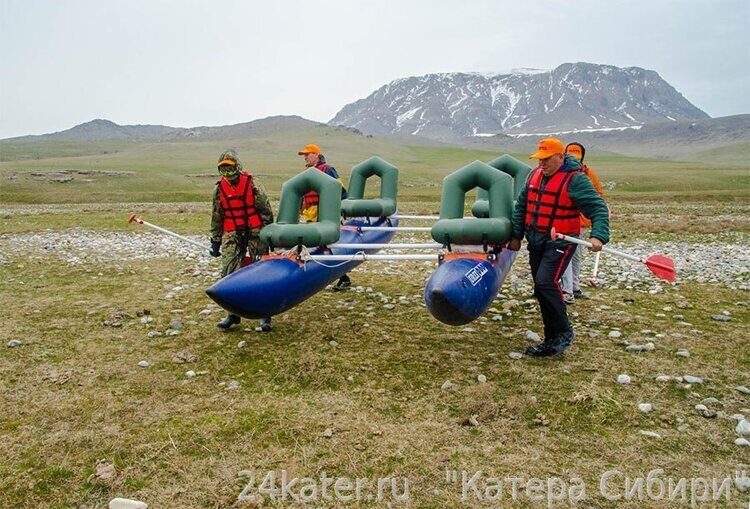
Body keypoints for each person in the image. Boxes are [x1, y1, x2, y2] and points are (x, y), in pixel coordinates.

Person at [508, 138, 609, 357]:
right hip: (536, 240)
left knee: (546, 283)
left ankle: (563, 333)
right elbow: (522, 206)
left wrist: (598, 236)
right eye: (539, 159)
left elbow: (598, 208)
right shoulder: (533, 176)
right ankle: (551, 338)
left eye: (547, 159)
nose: (542, 164)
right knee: (541, 287)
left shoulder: (576, 180)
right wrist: (516, 236)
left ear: (561, 157)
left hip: (562, 240)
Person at [209, 149, 275, 331]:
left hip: (255, 230)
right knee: (228, 271)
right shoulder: (218, 189)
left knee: (262, 271)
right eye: (223, 170)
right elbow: (216, 216)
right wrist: (215, 240)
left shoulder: (253, 185)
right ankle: (232, 314)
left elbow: (266, 211)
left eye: (230, 169)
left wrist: (269, 234)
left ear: (237, 167)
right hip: (231, 233)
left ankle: (264, 314)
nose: (227, 174)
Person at [298, 143, 351, 291]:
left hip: (325, 217)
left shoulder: (328, 169)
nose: (305, 158)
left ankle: (343, 278)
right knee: (314, 249)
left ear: (316, 155)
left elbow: (340, 190)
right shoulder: (306, 173)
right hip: (311, 217)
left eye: (307, 155)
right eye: (304, 156)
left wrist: (335, 210)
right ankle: (316, 277)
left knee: (330, 247)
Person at [560, 142, 606, 304]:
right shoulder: (561, 174)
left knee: (575, 256)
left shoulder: (588, 174)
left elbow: (598, 196)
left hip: (581, 223)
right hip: (565, 222)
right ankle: (567, 290)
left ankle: (573, 287)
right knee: (565, 255)